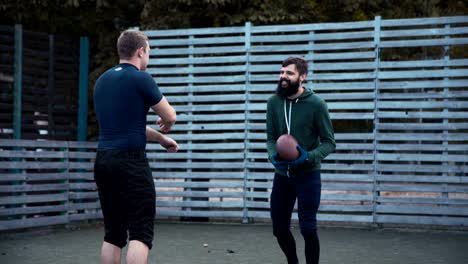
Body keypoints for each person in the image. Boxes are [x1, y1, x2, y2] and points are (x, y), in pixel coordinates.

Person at [93, 29, 178, 264]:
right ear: (140, 52)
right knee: (140, 231)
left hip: (104, 161)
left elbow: (127, 127)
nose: (148, 58)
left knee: (114, 233)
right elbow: (170, 115)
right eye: (148, 52)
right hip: (130, 162)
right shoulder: (141, 78)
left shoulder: (102, 81)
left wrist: (161, 139)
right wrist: (168, 124)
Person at [266, 57, 336, 264]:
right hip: (283, 176)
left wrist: (309, 156)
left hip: (308, 176)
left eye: (289, 73)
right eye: (281, 72)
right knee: (279, 229)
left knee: (308, 229)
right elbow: (271, 138)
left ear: (302, 77)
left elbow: (329, 142)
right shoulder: (273, 102)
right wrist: (273, 156)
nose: (283, 77)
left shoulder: (316, 104)